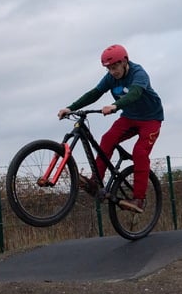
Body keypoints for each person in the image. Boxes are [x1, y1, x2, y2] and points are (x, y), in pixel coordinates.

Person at [57, 44, 164, 212]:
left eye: (115, 67)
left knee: (140, 152)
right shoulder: (110, 78)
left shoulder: (139, 73)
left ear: (125, 62)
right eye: (109, 69)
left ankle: (138, 199)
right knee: (107, 139)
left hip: (151, 119)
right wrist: (70, 108)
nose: (113, 72)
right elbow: (94, 93)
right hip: (129, 118)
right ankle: (95, 182)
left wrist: (115, 106)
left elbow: (135, 93)